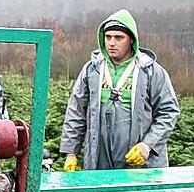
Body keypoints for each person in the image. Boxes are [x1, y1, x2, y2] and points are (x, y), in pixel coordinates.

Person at [60, 9, 180, 170]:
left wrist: (148, 145)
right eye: (108, 37)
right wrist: (71, 152)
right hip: (99, 157)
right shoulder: (92, 70)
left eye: (119, 38)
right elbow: (76, 111)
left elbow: (168, 112)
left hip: (140, 160)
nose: (112, 43)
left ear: (131, 40)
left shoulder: (151, 71)